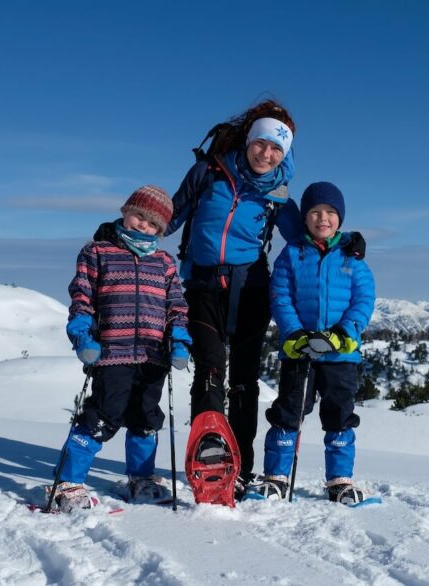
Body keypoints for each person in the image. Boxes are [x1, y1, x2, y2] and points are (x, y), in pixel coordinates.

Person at [165, 99, 302, 495]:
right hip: (204, 285)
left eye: (277, 149)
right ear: (249, 140)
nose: (267, 153)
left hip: (252, 289)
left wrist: (345, 244)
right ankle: (209, 456)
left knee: (244, 380)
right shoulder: (208, 173)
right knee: (210, 367)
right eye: (262, 143)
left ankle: (240, 466)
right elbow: (170, 218)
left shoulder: (278, 196)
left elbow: (307, 240)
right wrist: (127, 229)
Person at [51, 185, 191, 511]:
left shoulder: (165, 262)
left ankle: (141, 479)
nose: (144, 226)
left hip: (154, 355)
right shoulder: (97, 252)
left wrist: (180, 340)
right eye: (139, 216)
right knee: (103, 416)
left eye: (153, 224)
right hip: (111, 353)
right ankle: (69, 482)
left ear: (162, 230)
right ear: (126, 210)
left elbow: (176, 306)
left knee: (146, 418)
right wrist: (83, 336)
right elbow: (82, 299)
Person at [257, 181, 375, 505]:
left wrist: (342, 334)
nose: (323, 218)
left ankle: (339, 480)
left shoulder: (353, 257)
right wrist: (295, 333)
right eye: (315, 212)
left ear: (340, 218)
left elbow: (363, 301)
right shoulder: (292, 253)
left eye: (330, 213)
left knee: (339, 414)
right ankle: (276, 476)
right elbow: (281, 296)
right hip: (300, 351)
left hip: (341, 355)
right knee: (289, 412)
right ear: (305, 218)